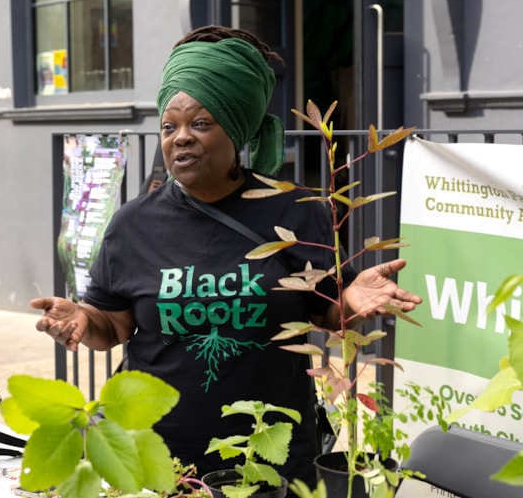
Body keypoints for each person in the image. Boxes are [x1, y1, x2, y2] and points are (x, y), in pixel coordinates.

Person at [31, 25, 423, 488]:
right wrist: (81, 318)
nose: (180, 138)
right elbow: (113, 327)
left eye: (200, 123)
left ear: (236, 130)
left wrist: (351, 301)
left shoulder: (294, 209)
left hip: (271, 455)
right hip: (158, 458)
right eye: (168, 125)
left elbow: (326, 313)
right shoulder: (132, 225)